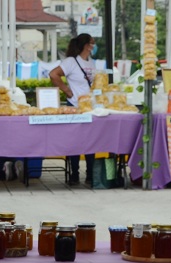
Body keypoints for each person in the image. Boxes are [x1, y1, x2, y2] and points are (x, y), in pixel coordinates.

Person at [49, 33, 97, 186]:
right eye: (92, 43)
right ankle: (74, 174)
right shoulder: (71, 62)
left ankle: (90, 174)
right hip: (75, 107)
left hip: (90, 107)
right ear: (86, 45)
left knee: (91, 141)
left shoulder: (91, 63)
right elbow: (53, 74)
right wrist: (67, 90)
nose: (94, 46)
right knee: (75, 142)